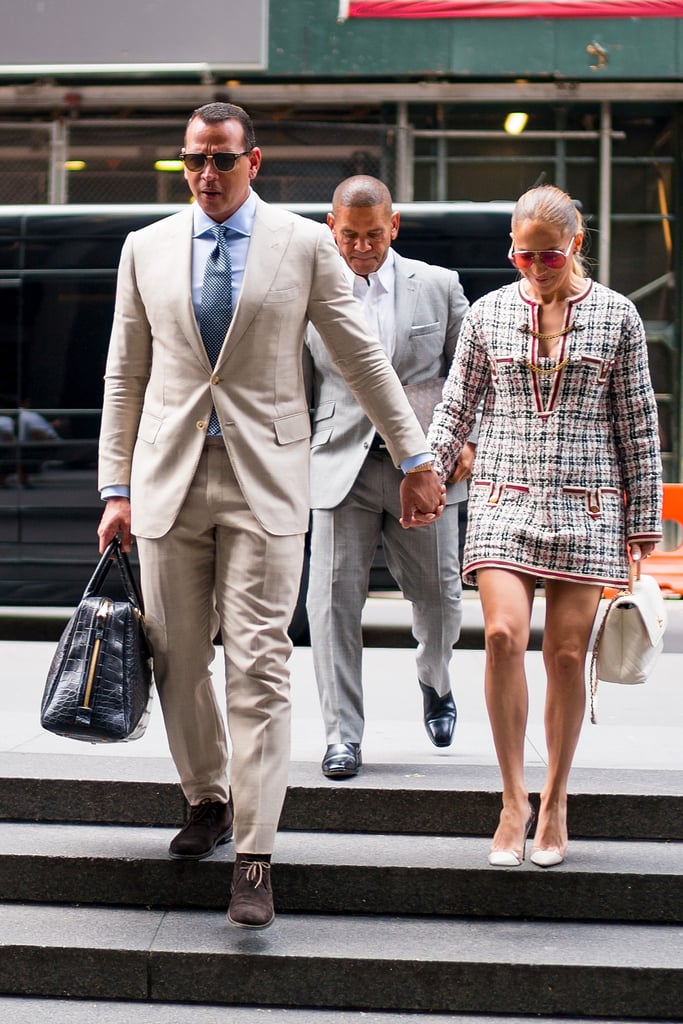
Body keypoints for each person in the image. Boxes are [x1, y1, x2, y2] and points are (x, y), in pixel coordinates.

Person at [96, 102, 444, 929]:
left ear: (253, 160)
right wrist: (116, 488)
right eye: (192, 162)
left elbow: (360, 357)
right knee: (178, 656)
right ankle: (206, 800)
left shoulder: (302, 243)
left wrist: (416, 456)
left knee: (258, 659)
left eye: (220, 161)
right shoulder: (144, 248)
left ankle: (255, 853)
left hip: (266, 479)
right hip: (167, 481)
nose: (205, 176)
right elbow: (123, 375)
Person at [404, 184, 662, 868]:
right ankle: (511, 799)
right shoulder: (488, 315)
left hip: (588, 504)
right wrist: (424, 471)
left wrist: (643, 519)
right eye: (522, 256)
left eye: (547, 256)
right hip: (500, 500)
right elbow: (454, 407)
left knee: (568, 656)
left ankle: (555, 799)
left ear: (576, 245)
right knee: (498, 636)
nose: (534, 268)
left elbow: (638, 423)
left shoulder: (617, 318)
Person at [304, 175, 473, 779]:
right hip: (339, 466)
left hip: (424, 470)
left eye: (373, 235)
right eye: (348, 236)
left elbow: (468, 375)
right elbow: (300, 384)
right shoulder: (311, 290)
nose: (360, 247)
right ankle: (341, 735)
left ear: (393, 225)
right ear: (331, 228)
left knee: (440, 599)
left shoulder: (439, 285)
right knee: (329, 607)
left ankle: (436, 679)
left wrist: (466, 445)